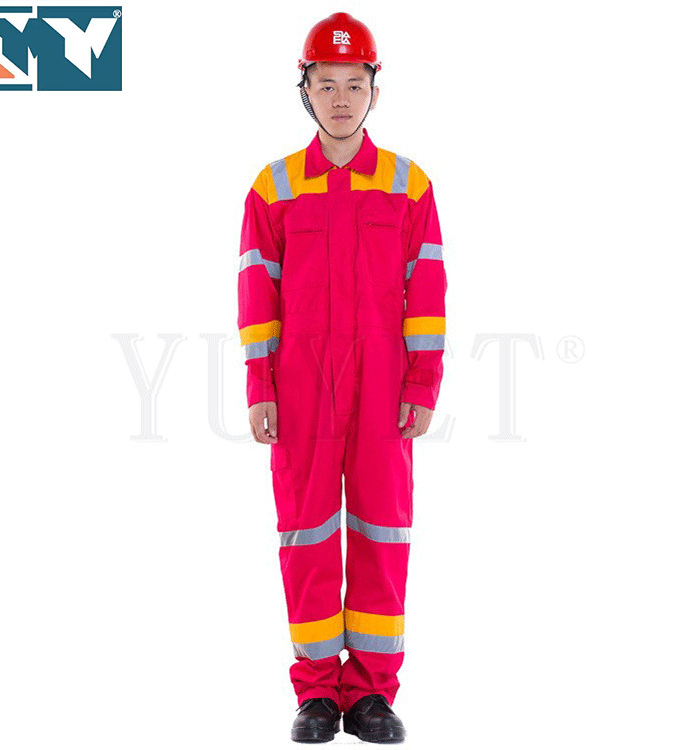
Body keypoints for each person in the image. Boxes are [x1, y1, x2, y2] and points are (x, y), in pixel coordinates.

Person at [237, 11, 447, 744]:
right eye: (325, 84)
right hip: (300, 385)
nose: (340, 99)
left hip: (384, 385)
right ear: (305, 90)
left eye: (354, 85)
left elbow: (427, 291)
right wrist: (261, 387)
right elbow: (257, 293)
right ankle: (318, 693)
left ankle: (372, 694)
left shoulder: (408, 184)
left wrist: (421, 385)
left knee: (383, 533)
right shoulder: (274, 187)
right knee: (307, 535)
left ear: (374, 92)